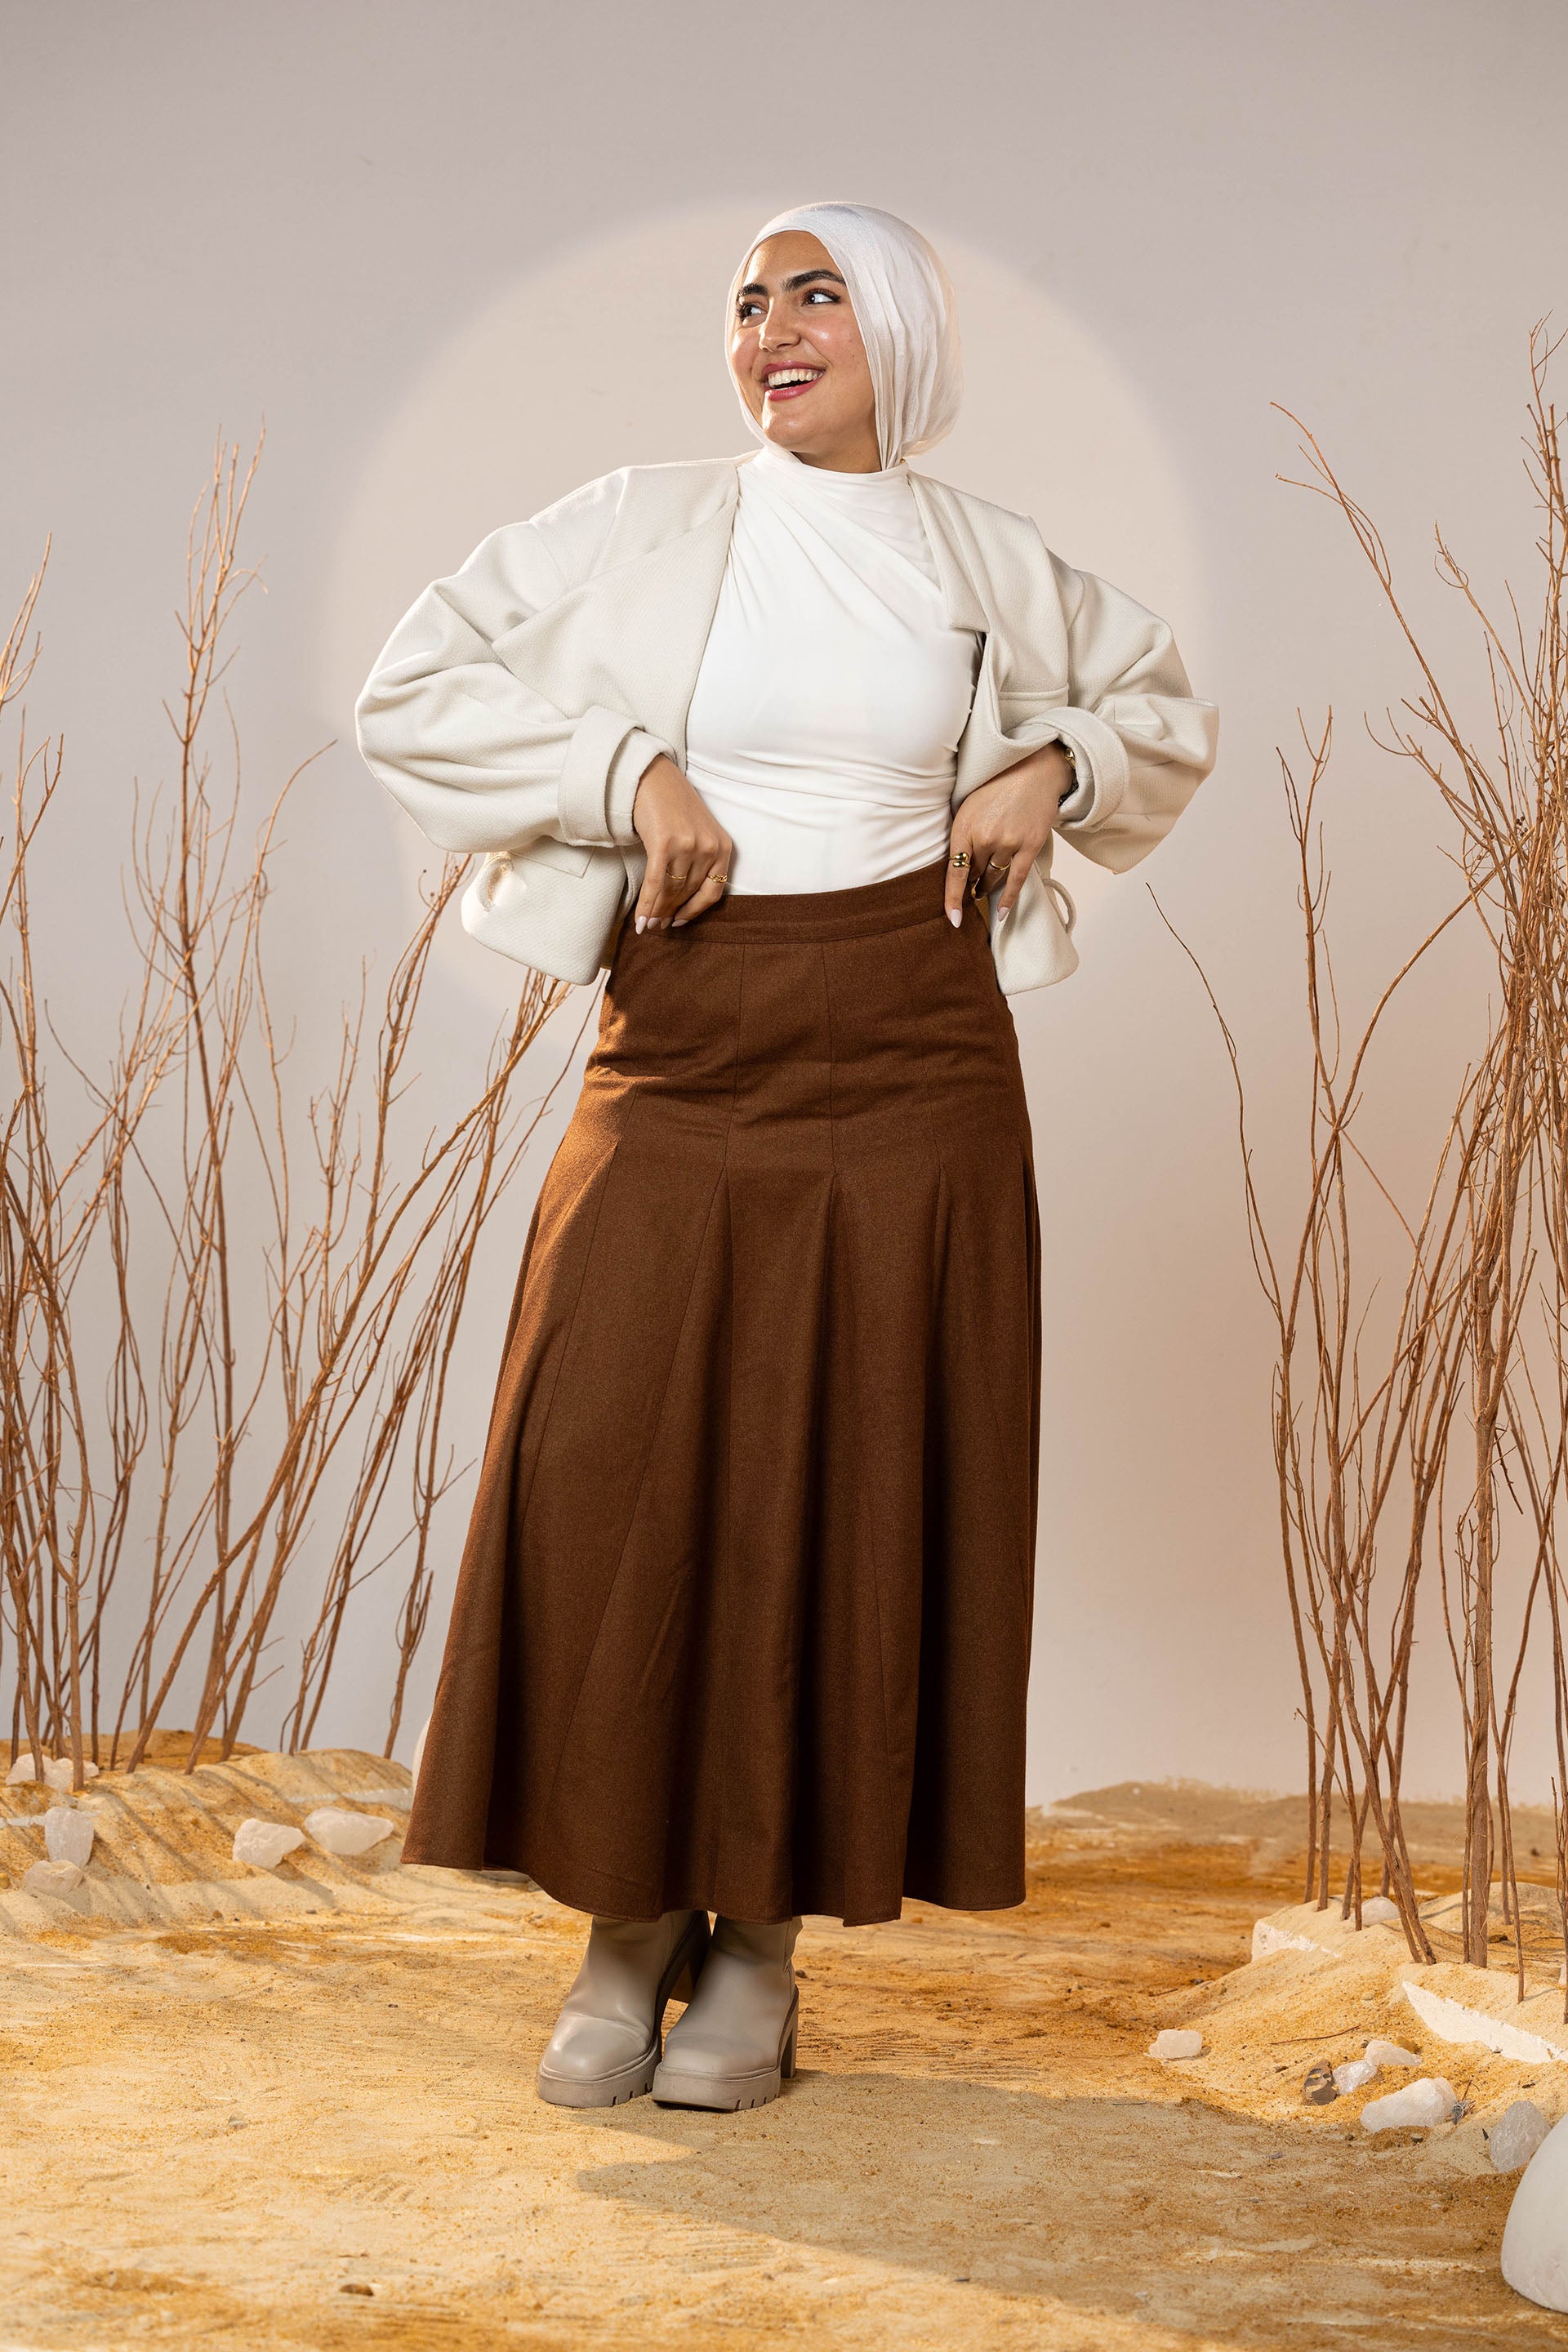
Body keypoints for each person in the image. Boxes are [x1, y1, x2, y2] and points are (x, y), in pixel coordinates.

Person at [355, 200, 1218, 2115]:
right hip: (684, 1031)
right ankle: (625, 1921)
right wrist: (623, 772)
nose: (772, 329)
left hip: (917, 1037)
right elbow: (409, 690)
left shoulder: (981, 554)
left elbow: (1162, 709)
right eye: (749, 303)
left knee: (852, 1469)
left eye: (817, 294)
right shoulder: (642, 521)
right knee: (615, 1460)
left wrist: (1053, 764)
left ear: (899, 330)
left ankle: (758, 1946)